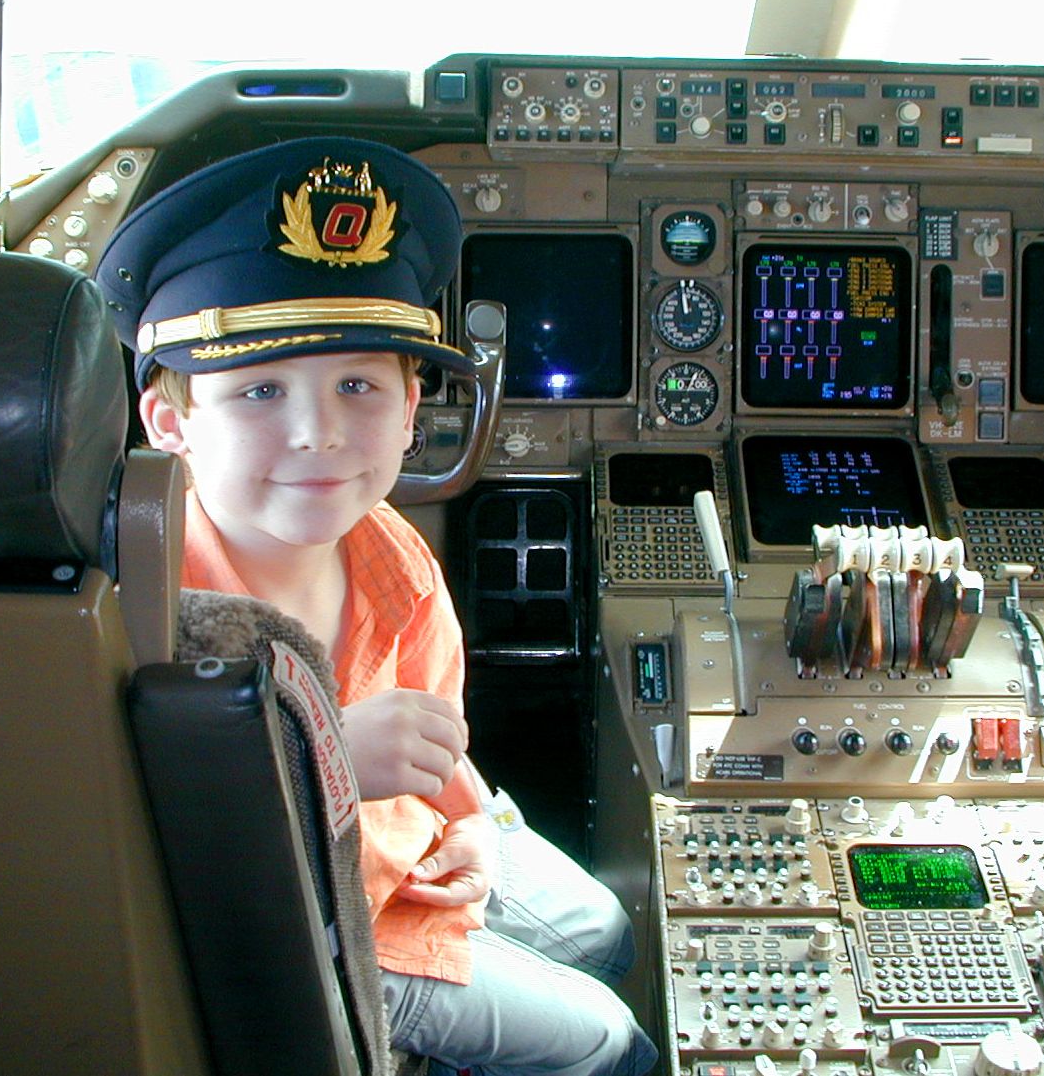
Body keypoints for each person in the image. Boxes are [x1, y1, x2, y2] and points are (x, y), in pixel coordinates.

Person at [97, 137, 657, 1076]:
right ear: (171, 423)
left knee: (604, 928)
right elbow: (146, 864)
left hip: (405, 851)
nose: (317, 432)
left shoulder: (391, 551)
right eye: (260, 390)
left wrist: (477, 825)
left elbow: (436, 738)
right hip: (310, 926)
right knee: (611, 1041)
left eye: (357, 384)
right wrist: (323, 761)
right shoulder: (141, 608)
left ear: (410, 409)